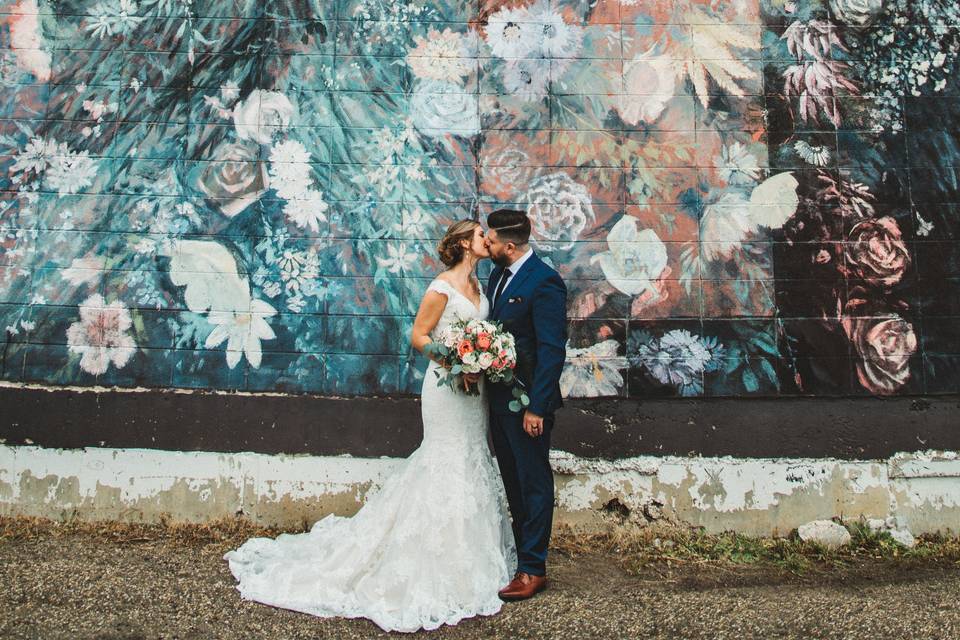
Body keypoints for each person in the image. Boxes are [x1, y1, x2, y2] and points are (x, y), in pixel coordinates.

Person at [223, 220, 516, 633]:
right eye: (480, 235)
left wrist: (483, 361)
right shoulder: (442, 287)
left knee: (471, 456)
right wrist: (457, 361)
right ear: (465, 244)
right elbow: (418, 336)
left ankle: (467, 556)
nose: (487, 240)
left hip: (475, 393)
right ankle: (427, 558)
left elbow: (478, 331)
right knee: (444, 458)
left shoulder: (481, 288)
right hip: (445, 389)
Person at [483, 208, 567, 601]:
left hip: (528, 404)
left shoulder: (545, 282)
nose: (486, 244)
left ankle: (534, 569)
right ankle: (521, 558)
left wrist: (537, 406)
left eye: (491, 240)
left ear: (510, 246)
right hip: (498, 403)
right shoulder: (497, 275)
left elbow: (552, 350)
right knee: (514, 483)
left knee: (533, 483)